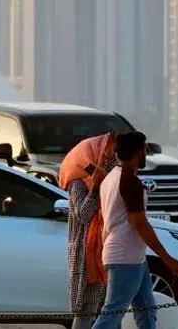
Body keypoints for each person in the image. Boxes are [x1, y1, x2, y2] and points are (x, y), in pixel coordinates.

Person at [87, 131, 178, 329]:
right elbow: (139, 222)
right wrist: (167, 258)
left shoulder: (110, 178)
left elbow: (106, 219)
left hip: (132, 257)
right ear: (139, 152)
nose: (146, 154)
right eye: (145, 150)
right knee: (112, 314)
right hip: (125, 258)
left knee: (147, 311)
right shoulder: (130, 182)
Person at [59, 133, 118, 329]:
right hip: (87, 253)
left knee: (109, 308)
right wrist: (95, 188)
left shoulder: (110, 177)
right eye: (108, 154)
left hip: (107, 248)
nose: (111, 159)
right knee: (87, 308)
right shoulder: (78, 183)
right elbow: (83, 215)